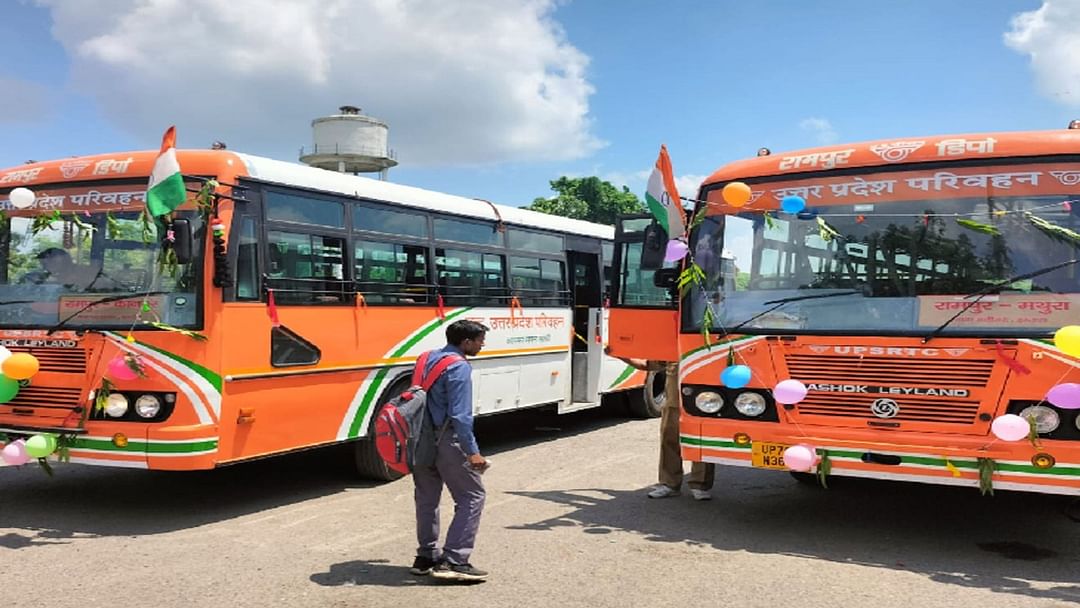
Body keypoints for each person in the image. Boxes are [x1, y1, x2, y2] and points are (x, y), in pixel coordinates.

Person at [410, 319, 491, 582]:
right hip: (447, 441)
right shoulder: (458, 367)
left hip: (418, 439)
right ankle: (455, 560)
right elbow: (460, 416)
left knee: (426, 499)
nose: (482, 344)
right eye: (480, 340)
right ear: (465, 342)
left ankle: (425, 557)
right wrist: (473, 452)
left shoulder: (425, 358)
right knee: (472, 496)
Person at [609, 349, 715, 500]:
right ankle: (669, 485)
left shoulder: (706, 346)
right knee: (669, 442)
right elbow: (647, 364)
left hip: (702, 404)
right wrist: (620, 355)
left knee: (701, 444)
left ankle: (700, 485)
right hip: (673, 405)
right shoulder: (671, 348)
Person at [29, 248, 117, 291]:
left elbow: (108, 287)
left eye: (49, 263)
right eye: (43, 264)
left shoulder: (88, 272)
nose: (45, 267)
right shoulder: (44, 278)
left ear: (66, 261)